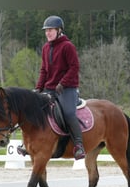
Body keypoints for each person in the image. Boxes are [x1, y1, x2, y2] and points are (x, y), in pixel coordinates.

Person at [18, 15, 85, 160]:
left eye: (51, 30)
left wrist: (63, 83)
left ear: (59, 30)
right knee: (33, 109)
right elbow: (44, 70)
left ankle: (79, 145)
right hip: (49, 88)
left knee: (68, 113)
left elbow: (74, 67)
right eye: (46, 30)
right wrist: (38, 88)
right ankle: (27, 143)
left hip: (67, 89)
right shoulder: (45, 47)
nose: (48, 33)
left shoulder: (68, 46)